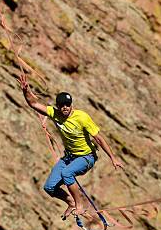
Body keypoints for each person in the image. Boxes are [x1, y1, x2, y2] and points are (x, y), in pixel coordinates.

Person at [18, 75, 123, 219]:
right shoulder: (55, 113)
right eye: (61, 105)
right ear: (58, 106)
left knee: (67, 173)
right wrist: (26, 91)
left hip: (87, 157)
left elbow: (99, 138)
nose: (65, 107)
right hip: (69, 157)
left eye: (67, 104)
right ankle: (71, 202)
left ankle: (80, 205)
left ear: (71, 104)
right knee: (49, 187)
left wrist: (113, 158)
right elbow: (34, 104)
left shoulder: (82, 117)